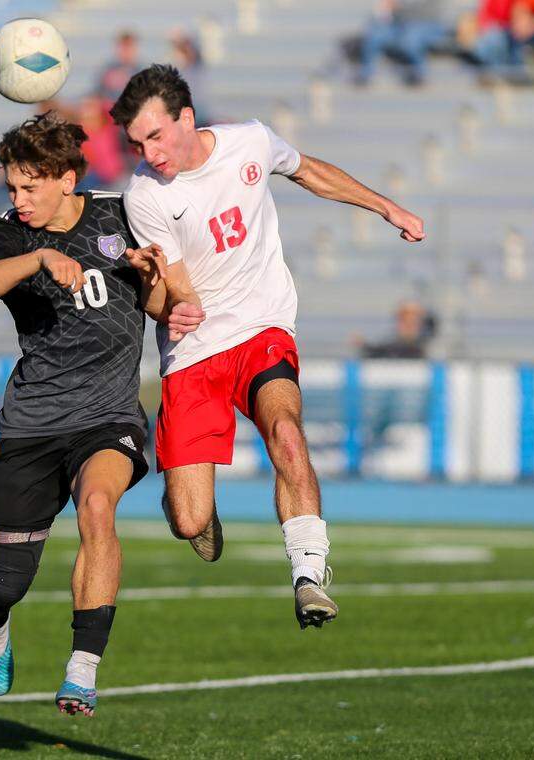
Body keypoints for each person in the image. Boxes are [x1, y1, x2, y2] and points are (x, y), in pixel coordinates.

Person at [110, 65, 424, 629]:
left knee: (286, 431)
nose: (149, 153)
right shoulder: (144, 196)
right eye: (137, 143)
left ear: (187, 117)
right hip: (195, 351)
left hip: (262, 329)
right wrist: (170, 299)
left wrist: (387, 207)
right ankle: (189, 509)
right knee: (189, 520)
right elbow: (177, 292)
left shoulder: (250, 141)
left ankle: (309, 574)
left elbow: (311, 172)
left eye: (155, 136)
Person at [0, 112, 197, 716]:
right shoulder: (12, 232)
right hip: (33, 422)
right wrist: (40, 258)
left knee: (98, 506)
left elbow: (163, 299)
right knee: (7, 581)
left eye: (29, 187)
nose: (19, 199)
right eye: (12, 187)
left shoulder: (121, 213)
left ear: (67, 179)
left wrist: (156, 285)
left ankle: (81, 671)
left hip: (108, 415)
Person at [355, 0, 450, 87]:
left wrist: (398, 8)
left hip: (426, 24)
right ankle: (366, 73)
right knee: (376, 36)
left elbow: (427, 12)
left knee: (411, 39)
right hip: (399, 23)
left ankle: (419, 72)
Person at [355, 300, 436, 359]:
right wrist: (364, 346)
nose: (408, 326)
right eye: (404, 321)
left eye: (413, 322)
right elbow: (378, 350)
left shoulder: (425, 344)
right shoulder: (390, 345)